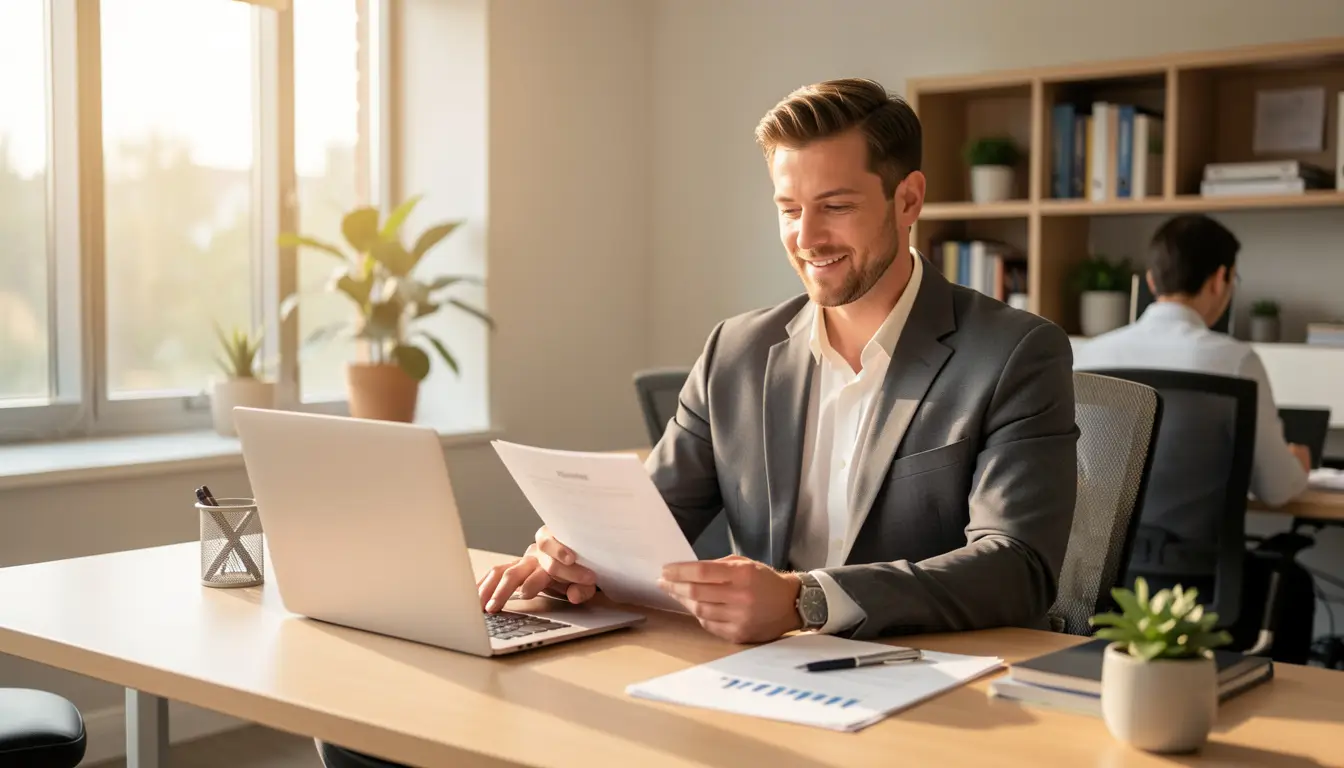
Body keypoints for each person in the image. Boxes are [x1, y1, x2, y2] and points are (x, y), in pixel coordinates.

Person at [317, 77, 1079, 766]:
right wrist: (573, 555)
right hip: (748, 693)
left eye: (836, 206)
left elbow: (1016, 567)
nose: (807, 237)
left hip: (928, 707)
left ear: (907, 200)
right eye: (789, 208)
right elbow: (648, 520)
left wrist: (806, 597)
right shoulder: (737, 351)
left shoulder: (1014, 354)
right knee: (371, 738)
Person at [1074, 213, 1311, 510]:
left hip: (1103, 541)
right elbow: (1276, 488)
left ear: (1151, 280)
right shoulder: (1237, 362)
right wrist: (1299, 463)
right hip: (1192, 542)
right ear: (1220, 280)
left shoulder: (1089, 356)